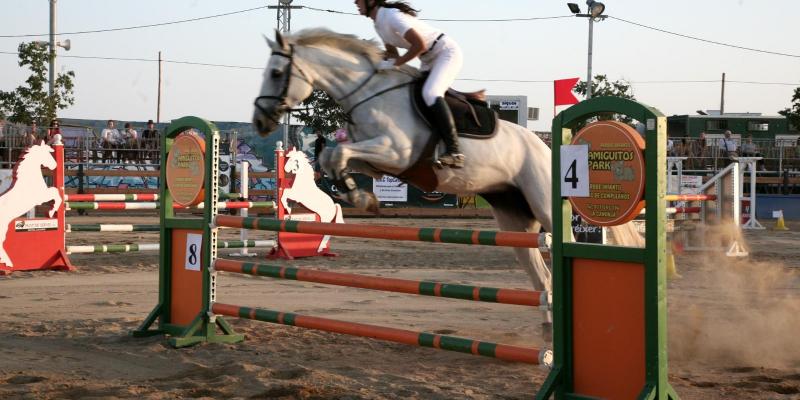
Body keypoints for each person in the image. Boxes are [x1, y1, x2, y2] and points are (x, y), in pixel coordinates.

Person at [356, 0, 465, 168]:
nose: (355, 2)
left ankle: (455, 151)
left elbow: (419, 44)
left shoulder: (391, 16)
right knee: (411, 94)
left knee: (431, 93)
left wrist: (397, 63)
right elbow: (392, 53)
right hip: (427, 59)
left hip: (445, 52)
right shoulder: (378, 24)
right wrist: (375, 58)